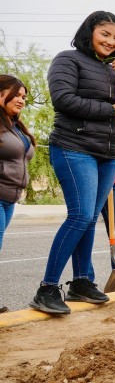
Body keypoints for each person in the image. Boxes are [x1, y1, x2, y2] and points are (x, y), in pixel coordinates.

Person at [30, 11, 115, 315]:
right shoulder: (68, 59)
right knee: (79, 215)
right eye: (105, 34)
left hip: (107, 154)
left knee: (90, 218)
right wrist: (111, 108)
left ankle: (81, 282)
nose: (111, 41)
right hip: (73, 147)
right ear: (90, 32)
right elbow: (63, 99)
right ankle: (47, 287)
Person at [0, 75, 35, 314]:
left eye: (24, 96)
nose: (21, 100)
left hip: (10, 198)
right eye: (16, 95)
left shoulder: (15, 126)